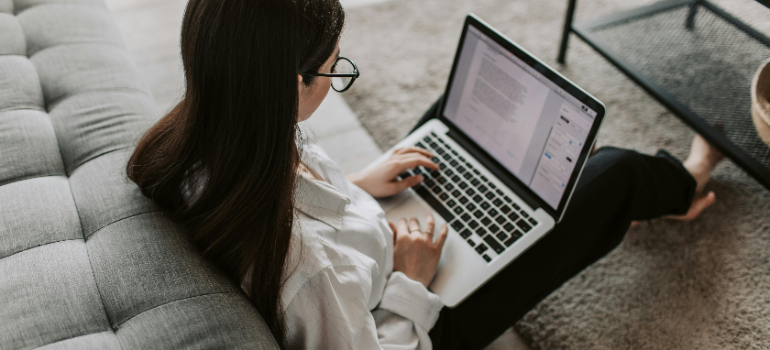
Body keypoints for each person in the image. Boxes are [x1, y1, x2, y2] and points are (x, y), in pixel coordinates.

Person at [126, 0, 724, 349]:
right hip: (419, 313)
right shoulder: (310, 271)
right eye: (335, 75)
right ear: (291, 85)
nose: (336, 81)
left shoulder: (205, 138)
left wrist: (358, 185)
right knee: (611, 174)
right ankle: (686, 182)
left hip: (371, 245)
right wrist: (414, 279)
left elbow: (292, 206)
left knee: (450, 125)